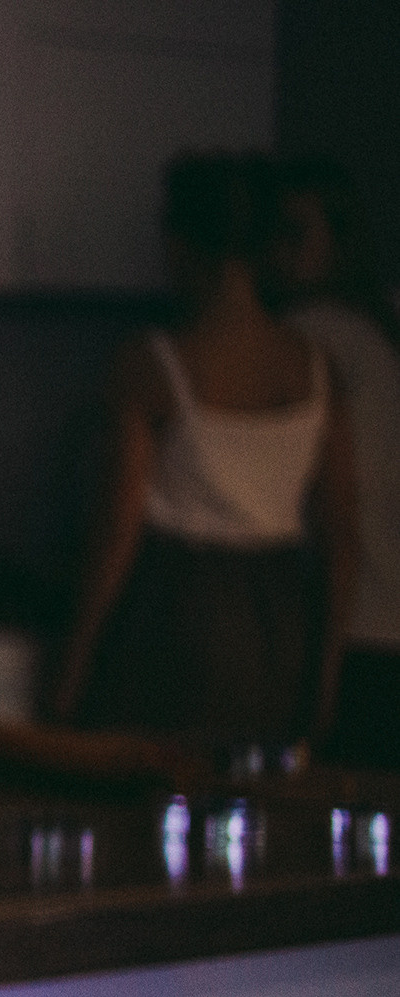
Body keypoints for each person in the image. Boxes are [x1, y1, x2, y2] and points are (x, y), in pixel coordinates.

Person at [55, 152, 356, 747]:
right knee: (254, 794)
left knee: (156, 789)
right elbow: (341, 539)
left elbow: (117, 530)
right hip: (278, 613)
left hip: (175, 604)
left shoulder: (153, 363)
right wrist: (326, 679)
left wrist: (72, 665)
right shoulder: (318, 370)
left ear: (182, 244)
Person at [272, 156, 400, 766]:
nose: (277, 251)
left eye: (295, 233)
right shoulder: (377, 330)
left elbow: (335, 520)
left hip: (353, 623)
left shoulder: (314, 338)